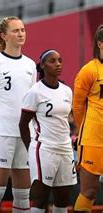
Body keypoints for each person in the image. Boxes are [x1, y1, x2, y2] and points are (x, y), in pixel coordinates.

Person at [0, 16, 37, 212]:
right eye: (15, 30)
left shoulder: (30, 65)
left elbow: (31, 102)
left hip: (25, 134)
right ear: (4, 35)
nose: (21, 33)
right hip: (1, 133)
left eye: (23, 30)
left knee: (23, 194)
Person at [19, 49, 76, 213]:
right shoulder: (35, 92)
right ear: (42, 65)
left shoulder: (66, 90)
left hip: (65, 150)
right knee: (40, 199)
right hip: (44, 149)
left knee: (62, 200)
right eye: (52, 61)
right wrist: (32, 149)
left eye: (60, 60)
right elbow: (23, 124)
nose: (58, 64)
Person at [73, 24, 103, 212]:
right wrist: (87, 130)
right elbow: (77, 107)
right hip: (93, 140)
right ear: (100, 43)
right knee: (89, 192)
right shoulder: (88, 71)